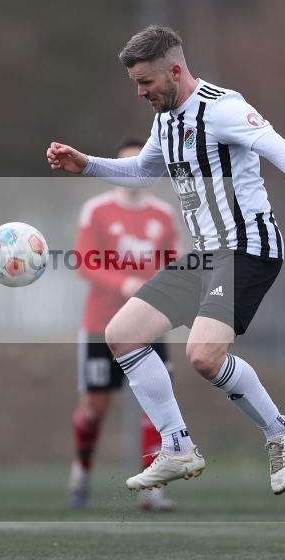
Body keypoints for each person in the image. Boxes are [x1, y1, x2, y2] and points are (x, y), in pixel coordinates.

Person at [46, 25, 285, 494]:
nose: (140, 93)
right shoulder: (165, 118)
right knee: (123, 335)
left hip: (248, 248)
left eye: (147, 82)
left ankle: (279, 430)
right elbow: (143, 169)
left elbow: (279, 147)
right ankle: (178, 447)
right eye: (135, 83)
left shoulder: (222, 108)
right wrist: (87, 164)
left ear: (175, 70)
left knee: (203, 354)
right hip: (206, 256)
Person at [69, 139, 180, 511]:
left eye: (142, 167)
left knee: (157, 403)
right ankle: (82, 471)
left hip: (148, 325)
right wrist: (125, 283)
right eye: (126, 167)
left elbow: (174, 264)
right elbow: (85, 262)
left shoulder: (163, 215)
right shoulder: (96, 211)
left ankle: (153, 489)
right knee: (95, 407)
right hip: (101, 324)